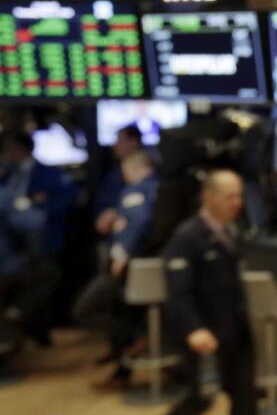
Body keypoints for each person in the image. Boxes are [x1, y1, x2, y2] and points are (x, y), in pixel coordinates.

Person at [163, 169, 257, 415]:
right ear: (208, 198)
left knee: (246, 398)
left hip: (235, 328)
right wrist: (194, 328)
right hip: (206, 333)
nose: (238, 203)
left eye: (239, 196)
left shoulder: (233, 230)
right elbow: (177, 291)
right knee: (200, 399)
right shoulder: (187, 237)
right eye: (230, 197)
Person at [79, 151, 159, 390]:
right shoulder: (158, 188)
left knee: (85, 309)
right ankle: (126, 354)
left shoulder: (136, 190)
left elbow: (136, 220)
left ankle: (133, 341)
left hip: (127, 268)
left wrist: (122, 252)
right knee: (123, 313)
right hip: (146, 268)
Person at [0, 130, 76, 345]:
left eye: (10, 148)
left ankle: (36, 332)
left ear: (22, 149)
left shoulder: (46, 173)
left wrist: (40, 206)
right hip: (13, 247)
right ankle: (15, 326)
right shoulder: (6, 175)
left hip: (38, 240)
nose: (7, 153)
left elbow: (68, 198)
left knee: (45, 276)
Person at [93, 125, 143, 223]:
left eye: (119, 141)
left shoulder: (144, 171)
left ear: (133, 143)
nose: (114, 146)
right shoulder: (114, 171)